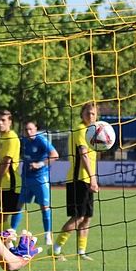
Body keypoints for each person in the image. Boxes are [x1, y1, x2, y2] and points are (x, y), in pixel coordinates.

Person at [53, 102, 100, 261]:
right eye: (87, 113)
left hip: (87, 179)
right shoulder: (81, 129)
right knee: (78, 217)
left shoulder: (93, 131)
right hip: (78, 179)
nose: (90, 116)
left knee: (87, 218)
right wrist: (93, 178)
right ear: (82, 114)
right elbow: (83, 154)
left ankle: (81, 252)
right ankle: (56, 249)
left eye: (93, 113)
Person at [9, 120, 59, 245]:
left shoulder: (41, 140)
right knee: (19, 205)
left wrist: (40, 164)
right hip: (26, 178)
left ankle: (47, 234)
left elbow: (55, 155)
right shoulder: (23, 141)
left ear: (36, 129)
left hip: (40, 178)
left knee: (44, 206)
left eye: (30, 129)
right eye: (26, 129)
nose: (28, 131)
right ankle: (12, 232)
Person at [0, 110, 21, 232]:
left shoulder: (12, 138)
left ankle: (13, 243)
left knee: (0, 218)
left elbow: (6, 162)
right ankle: (5, 242)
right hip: (1, 184)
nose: (0, 123)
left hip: (10, 184)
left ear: (10, 122)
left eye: (3, 120)